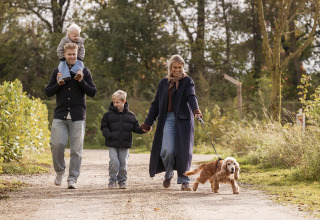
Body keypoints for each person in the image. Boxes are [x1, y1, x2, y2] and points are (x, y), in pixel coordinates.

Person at [141, 54, 202, 191]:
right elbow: (155, 104)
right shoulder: (163, 83)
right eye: (175, 67)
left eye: (180, 67)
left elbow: (191, 96)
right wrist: (148, 122)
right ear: (170, 67)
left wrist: (196, 111)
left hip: (184, 120)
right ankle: (169, 173)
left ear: (183, 67)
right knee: (167, 150)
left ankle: (185, 180)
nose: (178, 70)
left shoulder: (188, 82)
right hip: (167, 119)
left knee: (183, 151)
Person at [46, 42, 97, 189]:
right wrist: (58, 84)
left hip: (78, 117)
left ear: (77, 54)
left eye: (74, 54)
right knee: (57, 145)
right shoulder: (57, 71)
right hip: (60, 116)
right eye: (69, 54)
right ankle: (60, 172)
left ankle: (72, 178)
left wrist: (81, 81)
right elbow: (48, 91)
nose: (72, 57)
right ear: (64, 55)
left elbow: (93, 92)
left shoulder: (84, 71)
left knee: (76, 150)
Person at [100, 90, 145, 189]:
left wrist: (143, 129)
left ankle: (122, 181)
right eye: (114, 102)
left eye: (117, 102)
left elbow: (136, 128)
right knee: (114, 162)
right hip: (112, 143)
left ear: (123, 102)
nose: (115, 104)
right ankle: (112, 181)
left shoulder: (130, 115)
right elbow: (104, 126)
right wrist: (108, 134)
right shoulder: (108, 115)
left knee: (123, 163)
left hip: (125, 144)